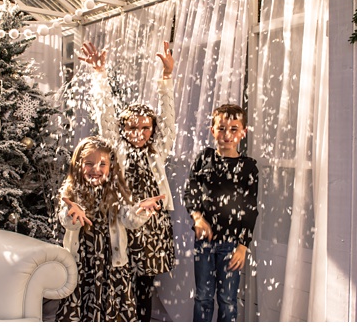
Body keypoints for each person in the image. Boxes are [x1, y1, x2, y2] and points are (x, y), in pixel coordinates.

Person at [77, 41, 177, 322]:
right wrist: (99, 74)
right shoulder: (116, 148)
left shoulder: (158, 149)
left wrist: (166, 79)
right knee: (122, 278)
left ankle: (143, 318)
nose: (139, 132)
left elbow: (169, 120)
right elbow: (105, 112)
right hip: (124, 217)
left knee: (146, 282)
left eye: (145, 127)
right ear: (123, 129)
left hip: (153, 222)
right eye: (132, 127)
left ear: (152, 129)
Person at [56, 136, 165, 321]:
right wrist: (70, 213)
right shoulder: (71, 194)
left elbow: (129, 220)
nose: (96, 169)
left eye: (102, 164)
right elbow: (66, 222)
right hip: (83, 264)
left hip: (112, 265)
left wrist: (140, 211)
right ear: (78, 165)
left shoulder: (117, 193)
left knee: (113, 306)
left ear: (111, 167)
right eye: (89, 163)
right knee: (81, 304)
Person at [185, 104, 260, 321]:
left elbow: (250, 210)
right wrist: (197, 218)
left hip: (231, 244)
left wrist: (242, 247)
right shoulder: (204, 158)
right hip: (204, 242)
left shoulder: (248, 167)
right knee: (203, 297)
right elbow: (191, 193)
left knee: (227, 299)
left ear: (243, 132)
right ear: (212, 130)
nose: (227, 135)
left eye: (234, 129)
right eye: (222, 128)